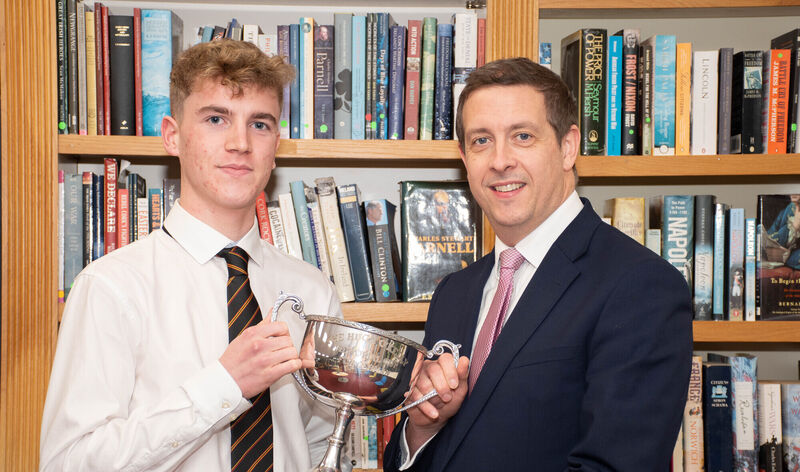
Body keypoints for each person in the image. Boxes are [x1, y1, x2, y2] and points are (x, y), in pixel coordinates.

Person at [40, 40, 344, 472]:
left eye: (259, 124)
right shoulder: (110, 287)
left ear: (277, 144)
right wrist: (224, 385)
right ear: (172, 136)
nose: (240, 143)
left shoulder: (313, 290)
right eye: (216, 119)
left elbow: (319, 446)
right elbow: (68, 463)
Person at [383, 57, 693, 471]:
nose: (500, 160)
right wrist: (422, 427)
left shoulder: (641, 286)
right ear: (463, 157)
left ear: (568, 147)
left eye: (522, 136)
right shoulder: (454, 293)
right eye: (481, 141)